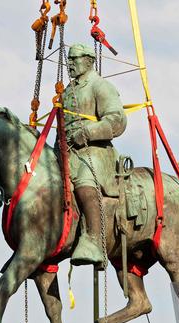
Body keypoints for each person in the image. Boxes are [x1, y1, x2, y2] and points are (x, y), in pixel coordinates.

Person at [61, 43, 127, 269]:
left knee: (84, 181)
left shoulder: (100, 86)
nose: (69, 63)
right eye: (68, 59)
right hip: (68, 151)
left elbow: (117, 120)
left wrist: (88, 132)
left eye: (74, 59)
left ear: (89, 60)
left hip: (96, 151)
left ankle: (94, 239)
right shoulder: (68, 91)